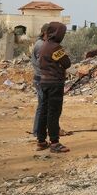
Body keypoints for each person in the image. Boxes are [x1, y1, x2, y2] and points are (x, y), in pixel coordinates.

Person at [37, 22, 71, 153]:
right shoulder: (56, 48)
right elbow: (67, 63)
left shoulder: (43, 45)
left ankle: (41, 141)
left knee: (44, 111)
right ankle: (55, 143)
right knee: (54, 113)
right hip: (55, 84)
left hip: (44, 82)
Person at [29, 23, 49, 139]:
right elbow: (43, 63)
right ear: (45, 33)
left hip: (40, 78)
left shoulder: (41, 43)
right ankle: (37, 131)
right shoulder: (41, 45)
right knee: (42, 106)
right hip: (40, 78)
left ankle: (40, 129)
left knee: (44, 105)